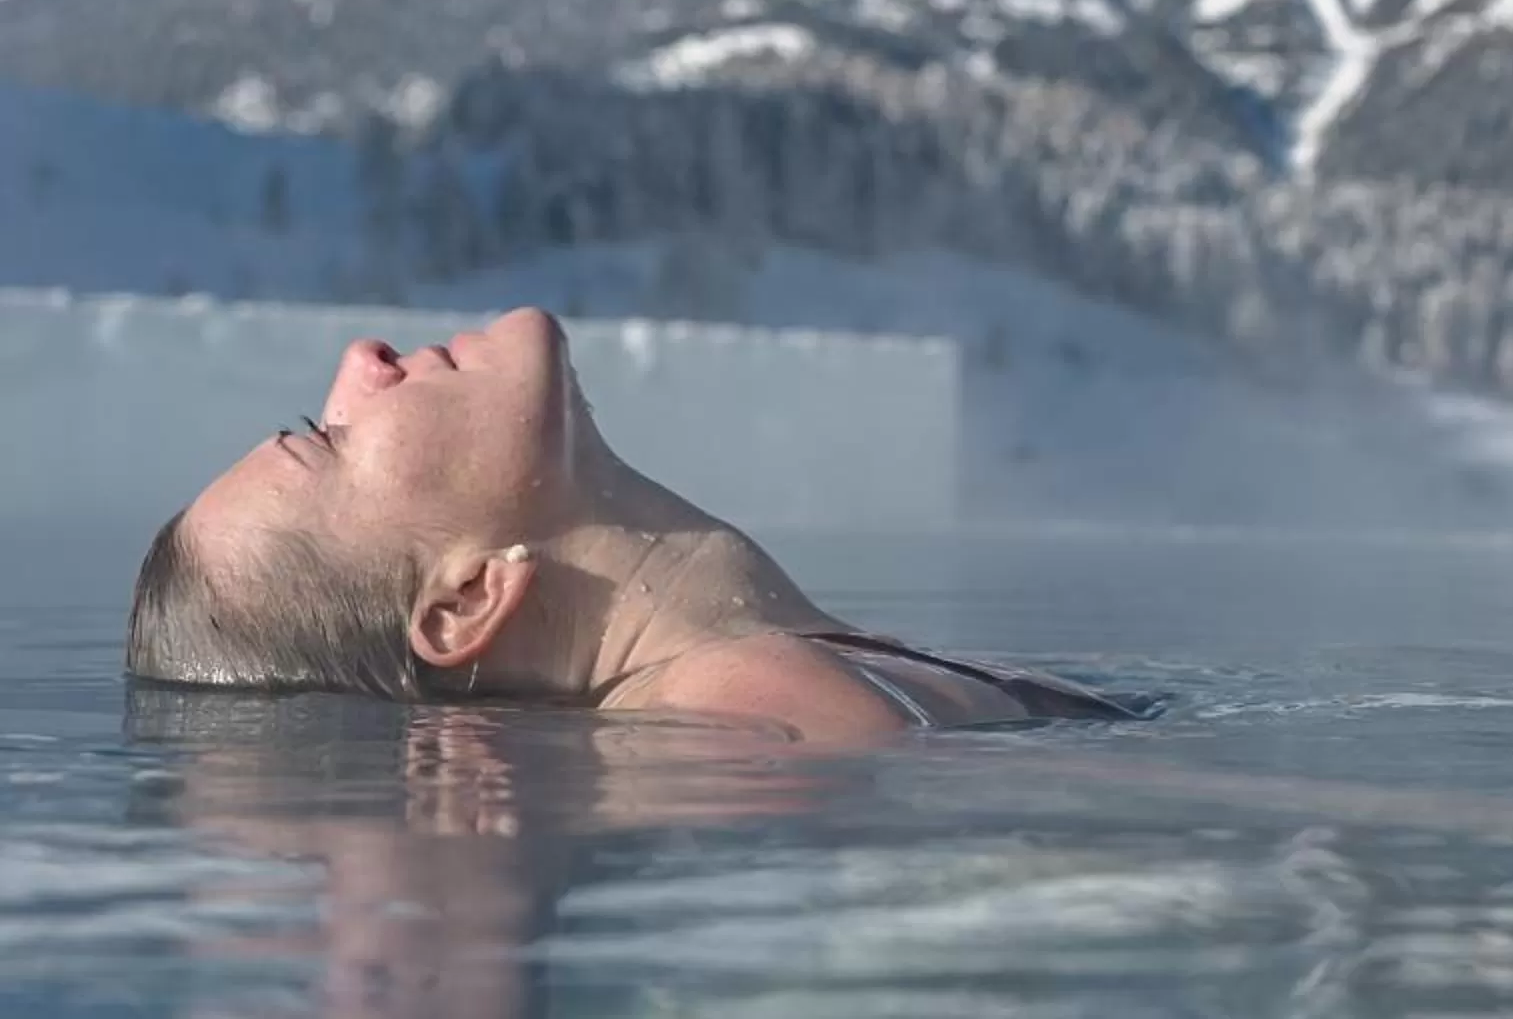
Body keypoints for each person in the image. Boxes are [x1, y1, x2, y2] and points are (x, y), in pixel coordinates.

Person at [125, 307, 1145, 743]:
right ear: (467, 596)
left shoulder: (772, 672)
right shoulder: (746, 702)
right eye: (327, 438)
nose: (362, 360)